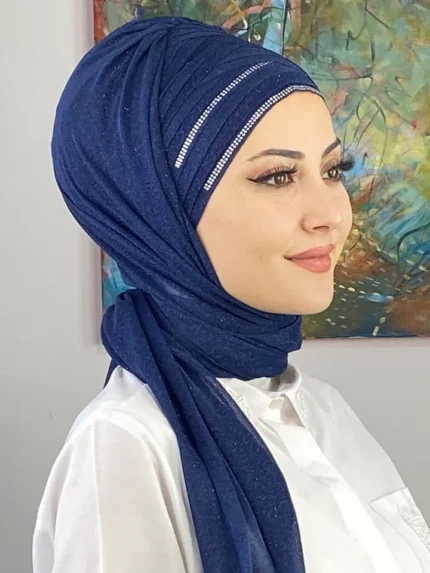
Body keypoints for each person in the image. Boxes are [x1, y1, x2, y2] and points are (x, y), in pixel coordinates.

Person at [33, 16, 430, 573]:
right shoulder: (129, 445)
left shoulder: (320, 409)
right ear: (163, 211)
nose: (332, 215)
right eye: (277, 177)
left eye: (333, 169)